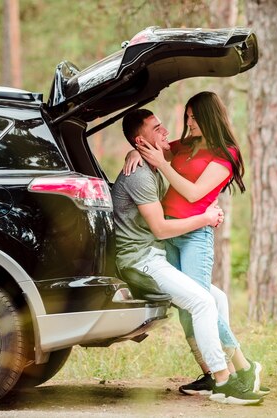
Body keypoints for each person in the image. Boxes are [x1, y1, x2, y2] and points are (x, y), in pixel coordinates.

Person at [112, 108, 263, 405]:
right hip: (140, 259)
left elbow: (186, 179)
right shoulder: (141, 174)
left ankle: (221, 371)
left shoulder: (153, 164)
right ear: (142, 141)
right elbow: (160, 227)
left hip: (152, 253)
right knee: (203, 302)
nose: (167, 131)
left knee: (215, 299)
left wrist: (136, 151)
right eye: (157, 128)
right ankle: (224, 380)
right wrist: (206, 218)